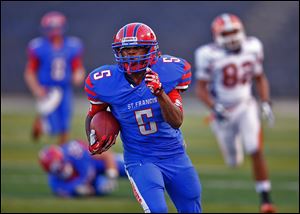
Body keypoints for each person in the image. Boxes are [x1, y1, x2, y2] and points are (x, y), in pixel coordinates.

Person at [84, 23, 202, 213]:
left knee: (192, 209)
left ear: (150, 50)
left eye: (136, 49)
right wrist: (93, 138)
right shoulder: (106, 82)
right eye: (125, 50)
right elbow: (93, 115)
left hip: (175, 154)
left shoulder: (167, 74)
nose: (130, 54)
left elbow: (176, 121)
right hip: (141, 158)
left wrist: (160, 92)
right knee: (157, 210)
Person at [194, 13, 276, 213]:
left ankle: (266, 200)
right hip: (222, 112)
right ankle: (230, 140)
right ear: (217, 35)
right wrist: (214, 108)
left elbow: (260, 77)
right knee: (234, 161)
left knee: (255, 148)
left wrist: (265, 102)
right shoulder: (207, 54)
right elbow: (201, 88)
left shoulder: (253, 46)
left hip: (245, 104)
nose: (231, 37)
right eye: (226, 33)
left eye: (234, 32)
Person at [24, 11, 86, 145]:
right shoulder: (38, 46)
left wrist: (78, 75)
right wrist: (36, 89)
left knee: (65, 123)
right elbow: (30, 71)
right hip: (47, 88)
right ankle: (40, 123)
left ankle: (61, 151)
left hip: (64, 88)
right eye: (51, 28)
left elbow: (78, 67)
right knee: (52, 126)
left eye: (56, 28)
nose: (54, 32)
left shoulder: (72, 45)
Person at [38, 139, 126, 197]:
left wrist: (111, 175)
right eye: (58, 172)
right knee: (102, 188)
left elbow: (107, 155)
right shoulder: (56, 183)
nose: (64, 171)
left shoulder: (76, 152)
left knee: (128, 167)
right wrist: (82, 191)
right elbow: (82, 191)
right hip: (94, 180)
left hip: (97, 165)